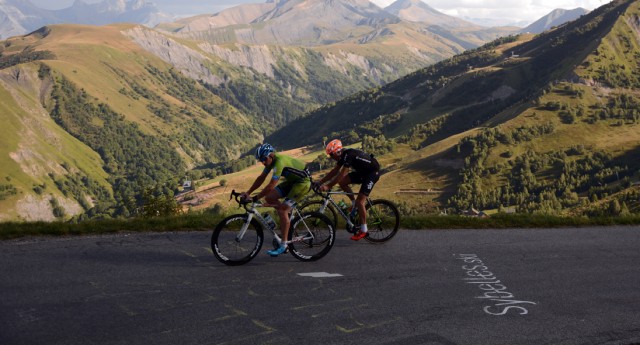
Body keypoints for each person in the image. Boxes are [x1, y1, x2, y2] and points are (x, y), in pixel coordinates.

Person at [241, 143, 311, 256]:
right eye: (261, 160)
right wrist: (248, 193)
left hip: (303, 183)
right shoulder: (270, 161)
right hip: (292, 182)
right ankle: (286, 219)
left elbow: (270, 186)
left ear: (271, 155)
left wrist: (254, 198)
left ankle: (284, 245)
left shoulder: (279, 162)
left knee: (282, 210)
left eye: (264, 159)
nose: (263, 162)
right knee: (269, 198)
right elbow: (261, 178)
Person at [316, 139, 380, 241]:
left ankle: (364, 230)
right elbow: (334, 171)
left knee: (361, 201)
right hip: (363, 172)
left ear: (337, 151)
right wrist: (320, 182)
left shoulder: (348, 155)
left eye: (331, 155)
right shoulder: (343, 155)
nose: (331, 158)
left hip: (372, 173)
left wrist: (328, 186)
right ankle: (354, 204)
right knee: (343, 183)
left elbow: (341, 175)